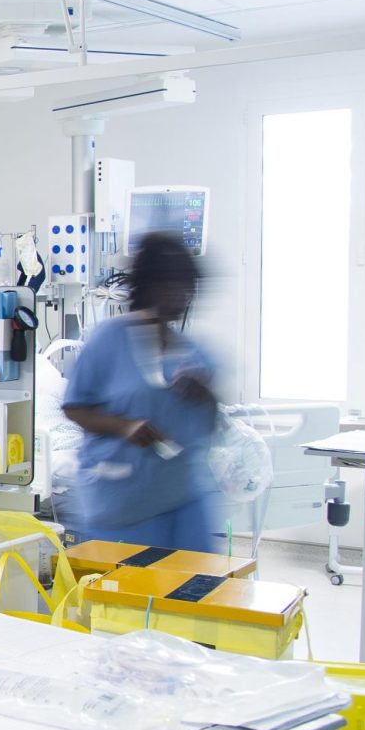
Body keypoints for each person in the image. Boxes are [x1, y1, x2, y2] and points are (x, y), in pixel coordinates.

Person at [62, 231, 222, 553]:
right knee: (131, 598)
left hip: (184, 497)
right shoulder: (109, 341)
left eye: (189, 288)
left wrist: (206, 396)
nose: (183, 296)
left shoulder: (193, 351)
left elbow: (210, 426)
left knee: (196, 591)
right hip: (124, 503)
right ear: (149, 286)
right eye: (175, 287)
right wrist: (124, 427)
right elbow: (74, 406)